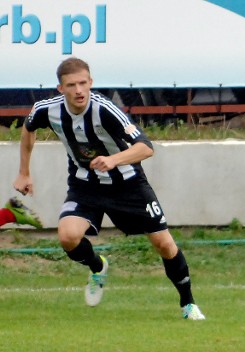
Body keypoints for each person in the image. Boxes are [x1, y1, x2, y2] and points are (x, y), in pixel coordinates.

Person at [13, 57, 205, 320]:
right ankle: (98, 267)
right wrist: (24, 172)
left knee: (163, 244)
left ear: (91, 82)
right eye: (71, 85)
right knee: (67, 237)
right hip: (85, 185)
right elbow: (28, 128)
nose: (79, 90)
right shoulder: (48, 110)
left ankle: (188, 303)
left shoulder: (105, 110)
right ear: (61, 88)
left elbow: (146, 148)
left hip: (128, 185)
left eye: (83, 83)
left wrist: (113, 160)